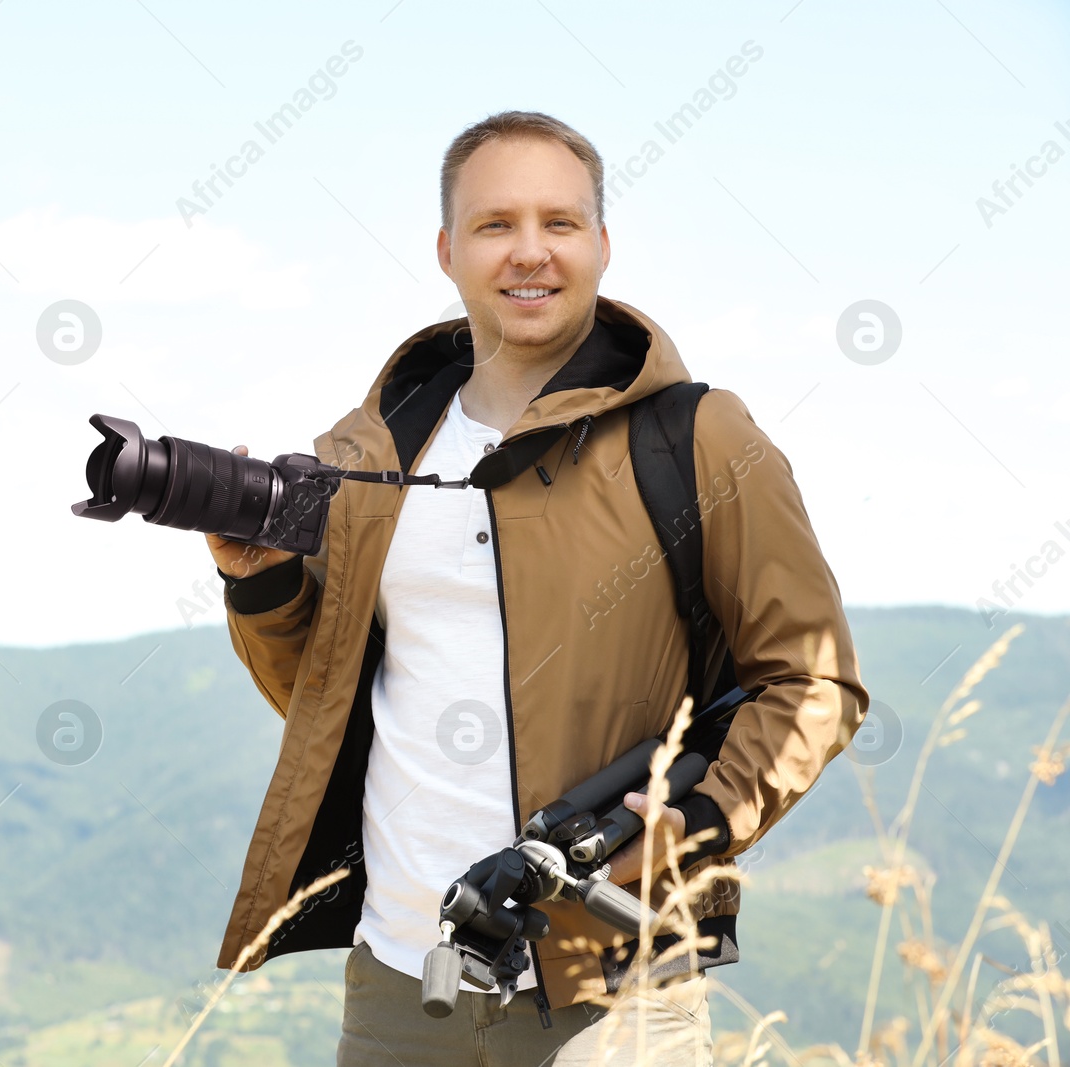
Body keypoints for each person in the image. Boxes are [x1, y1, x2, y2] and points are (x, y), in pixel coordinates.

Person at [204, 110, 868, 1066]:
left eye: (559, 222)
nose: (530, 252)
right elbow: (327, 699)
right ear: (445, 250)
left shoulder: (699, 437)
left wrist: (701, 817)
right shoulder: (371, 450)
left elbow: (817, 683)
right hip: (400, 981)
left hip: (610, 989)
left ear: (603, 244)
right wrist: (262, 583)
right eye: (493, 224)